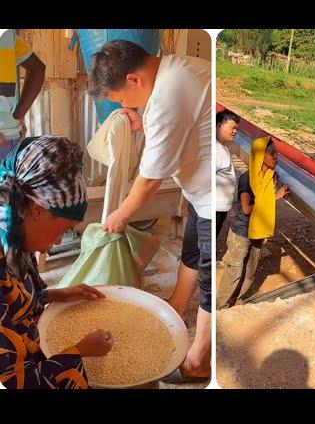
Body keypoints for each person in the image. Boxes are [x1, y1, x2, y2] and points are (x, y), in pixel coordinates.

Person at [88, 39, 211, 382]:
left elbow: (149, 181)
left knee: (208, 269)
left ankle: (199, 359)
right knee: (193, 249)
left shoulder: (165, 99)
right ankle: (177, 303)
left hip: (215, 193)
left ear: (134, 80)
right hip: (200, 191)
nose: (127, 106)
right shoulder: (177, 68)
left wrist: (120, 214)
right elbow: (182, 125)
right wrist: (143, 125)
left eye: (123, 100)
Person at [0, 136, 113, 389]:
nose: (59, 240)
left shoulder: (16, 231)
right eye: (63, 229)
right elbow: (18, 380)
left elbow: (16, 301)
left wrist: (58, 294)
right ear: (38, 210)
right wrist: (78, 351)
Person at [216, 137, 289, 309]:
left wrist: (272, 192)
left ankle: (235, 299)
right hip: (242, 231)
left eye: (276, 153)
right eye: (272, 153)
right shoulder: (247, 179)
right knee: (234, 269)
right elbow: (247, 209)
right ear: (259, 155)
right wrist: (274, 197)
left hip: (259, 230)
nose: (275, 157)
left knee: (250, 268)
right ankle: (220, 306)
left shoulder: (270, 177)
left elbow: (264, 200)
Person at [0, 30, 46, 160]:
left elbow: (38, 69)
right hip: (9, 137)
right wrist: (19, 114)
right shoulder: (8, 34)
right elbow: (37, 68)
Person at [216, 109, 239, 237]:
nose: (235, 131)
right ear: (219, 125)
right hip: (215, 208)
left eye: (236, 128)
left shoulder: (221, 148)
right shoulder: (217, 150)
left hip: (219, 207)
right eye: (232, 127)